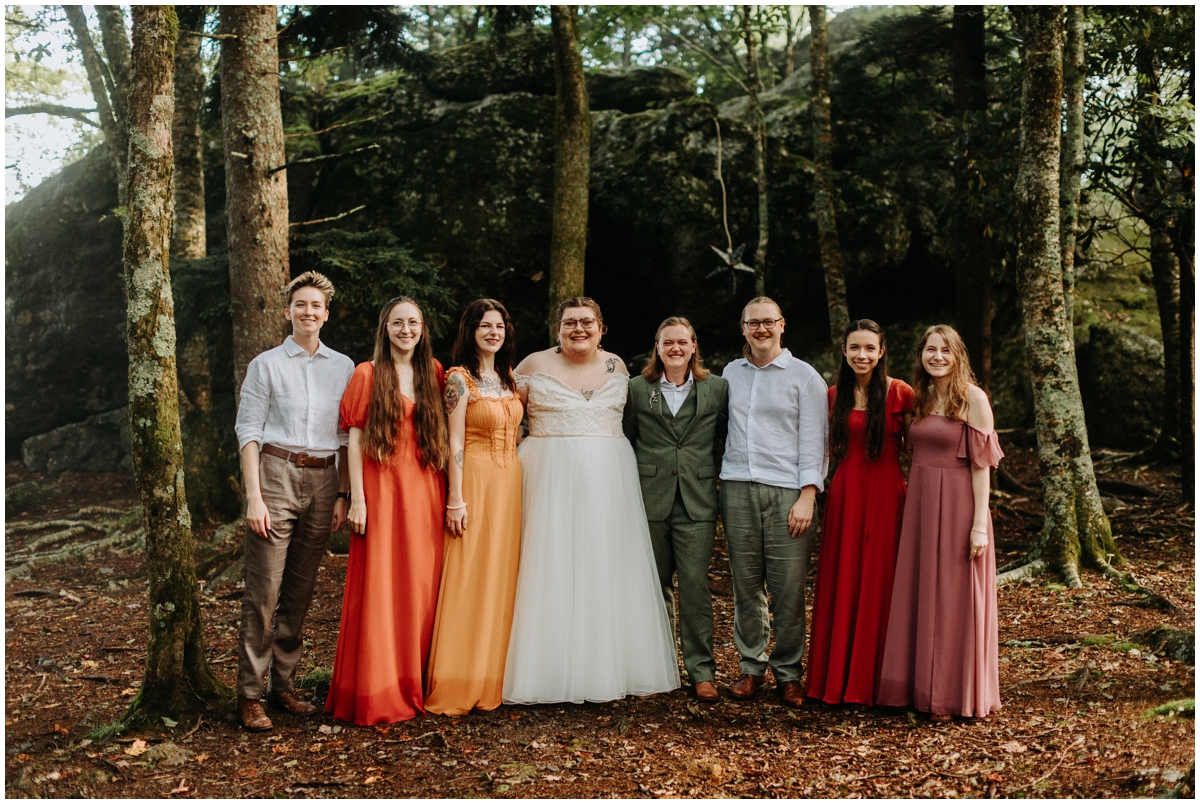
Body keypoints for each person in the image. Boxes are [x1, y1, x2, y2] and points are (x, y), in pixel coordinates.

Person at [503, 297, 680, 704]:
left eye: (586, 322)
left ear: (601, 327)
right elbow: (508, 422)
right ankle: (545, 668)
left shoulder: (618, 366)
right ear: (558, 327)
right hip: (546, 475)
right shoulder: (531, 365)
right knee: (548, 565)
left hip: (609, 478)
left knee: (604, 564)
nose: (578, 329)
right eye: (569, 323)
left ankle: (606, 664)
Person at [233, 271, 355, 732]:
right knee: (264, 593)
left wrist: (343, 493)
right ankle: (249, 694)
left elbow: (346, 436)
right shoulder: (265, 365)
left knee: (300, 593)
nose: (309, 312)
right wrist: (254, 497)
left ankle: (282, 685)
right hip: (276, 475)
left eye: (316, 306)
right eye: (300, 305)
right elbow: (249, 432)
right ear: (288, 311)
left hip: (325, 482)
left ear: (326, 313)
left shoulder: (343, 367)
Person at [326, 296, 449, 724]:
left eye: (413, 322)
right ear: (385, 328)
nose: (406, 329)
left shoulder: (432, 372)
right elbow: (354, 440)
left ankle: (417, 679)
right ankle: (378, 687)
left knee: (420, 584)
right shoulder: (367, 373)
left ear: (422, 328)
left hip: (425, 489)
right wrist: (355, 497)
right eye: (398, 322)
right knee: (382, 583)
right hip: (380, 488)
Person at [877, 324, 1003, 720]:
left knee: (954, 597)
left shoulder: (974, 399)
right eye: (930, 349)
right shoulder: (919, 399)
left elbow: (982, 468)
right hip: (921, 503)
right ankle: (919, 688)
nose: (937, 357)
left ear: (958, 355)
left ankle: (954, 694)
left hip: (961, 505)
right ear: (921, 355)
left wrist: (979, 522)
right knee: (920, 591)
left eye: (945, 350)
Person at [720, 296, 828, 708]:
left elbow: (815, 441)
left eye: (768, 322)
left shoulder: (804, 378)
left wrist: (808, 496)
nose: (761, 329)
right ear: (743, 327)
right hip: (737, 488)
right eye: (753, 323)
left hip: (788, 493)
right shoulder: (732, 373)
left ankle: (788, 673)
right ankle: (751, 668)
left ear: (782, 325)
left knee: (787, 588)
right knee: (746, 585)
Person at [806, 320, 914, 707]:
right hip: (846, 493)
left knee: (881, 581)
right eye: (855, 348)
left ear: (882, 351)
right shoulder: (833, 395)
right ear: (844, 351)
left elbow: (919, 448)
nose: (862, 355)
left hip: (887, 495)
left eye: (870, 348)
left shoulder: (901, 393)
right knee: (845, 577)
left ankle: (880, 682)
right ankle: (835, 681)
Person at [425, 300, 524, 715]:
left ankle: (495, 677)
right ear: (471, 331)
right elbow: (455, 443)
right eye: (485, 326)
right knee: (469, 573)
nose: (493, 332)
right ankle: (456, 679)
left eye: (499, 326)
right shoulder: (458, 380)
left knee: (503, 575)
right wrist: (455, 498)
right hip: (475, 483)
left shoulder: (511, 378)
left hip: (511, 483)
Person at [623, 317, 728, 702]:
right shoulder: (637, 389)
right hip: (650, 498)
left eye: (683, 342)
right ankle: (662, 666)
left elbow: (723, 438)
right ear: (657, 346)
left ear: (694, 345)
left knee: (696, 588)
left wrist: (707, 472)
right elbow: (627, 439)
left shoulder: (716, 388)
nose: (676, 348)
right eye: (668, 342)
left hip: (697, 500)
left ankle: (702, 671)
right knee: (655, 586)